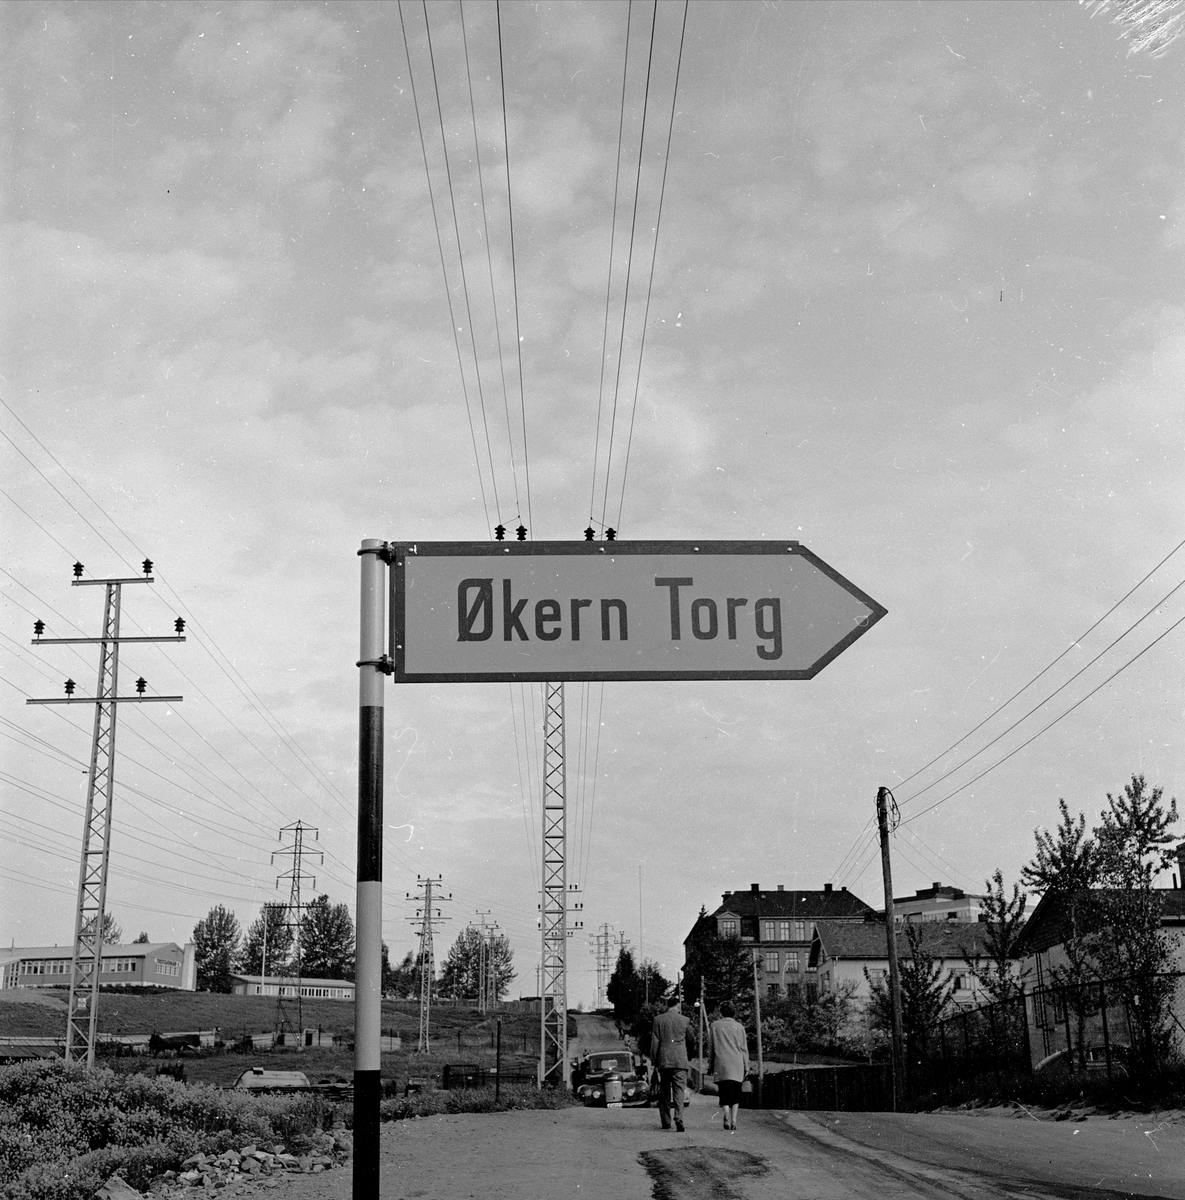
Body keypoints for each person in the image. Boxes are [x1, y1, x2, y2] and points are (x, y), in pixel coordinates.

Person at [649, 990, 696, 1131]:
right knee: (679, 1090)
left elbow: (655, 1043)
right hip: (680, 1061)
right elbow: (691, 1040)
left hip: (664, 1060)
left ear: (667, 1006)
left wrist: (654, 1061)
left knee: (664, 1092)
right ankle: (679, 1117)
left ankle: (666, 1122)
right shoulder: (685, 1020)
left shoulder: (658, 1020)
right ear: (677, 1006)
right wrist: (689, 1055)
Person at [709, 1000, 750, 1133]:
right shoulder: (740, 1027)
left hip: (721, 1063)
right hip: (737, 1063)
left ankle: (725, 1113)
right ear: (734, 1012)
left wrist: (711, 1064)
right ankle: (733, 1120)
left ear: (721, 1012)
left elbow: (712, 1047)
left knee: (724, 1092)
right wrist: (746, 1065)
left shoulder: (714, 1025)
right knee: (736, 1094)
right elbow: (744, 1048)